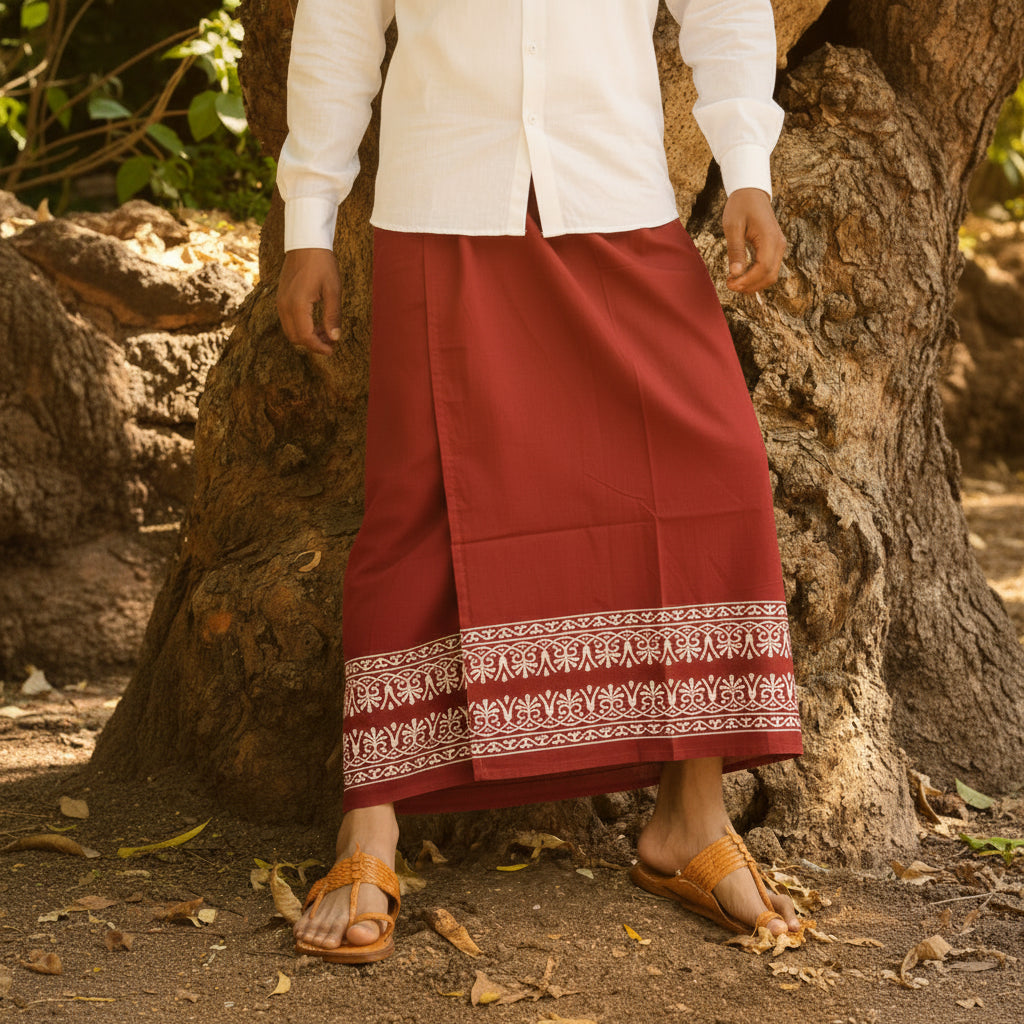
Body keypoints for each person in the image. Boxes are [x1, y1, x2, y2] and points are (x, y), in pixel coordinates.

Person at [276, 0, 803, 964]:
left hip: (614, 197)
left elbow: (725, 10)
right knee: (417, 505)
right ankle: (371, 826)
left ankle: (691, 813)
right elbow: (339, 32)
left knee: (711, 478)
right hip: (444, 206)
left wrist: (749, 170)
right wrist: (307, 219)